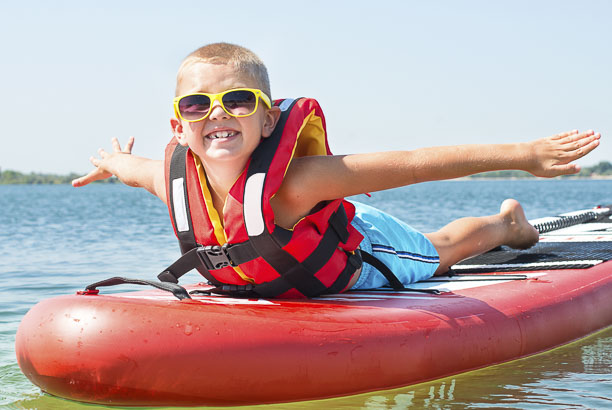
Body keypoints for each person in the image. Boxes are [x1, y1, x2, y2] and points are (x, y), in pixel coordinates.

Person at [72, 42, 600, 297]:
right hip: (288, 258)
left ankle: (509, 223)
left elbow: (416, 164)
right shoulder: (174, 181)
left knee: (440, 251)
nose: (217, 115)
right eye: (197, 106)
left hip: (359, 250)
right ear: (178, 125)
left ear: (269, 117)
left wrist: (525, 155)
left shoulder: (300, 184)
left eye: (237, 100)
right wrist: (107, 161)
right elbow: (128, 166)